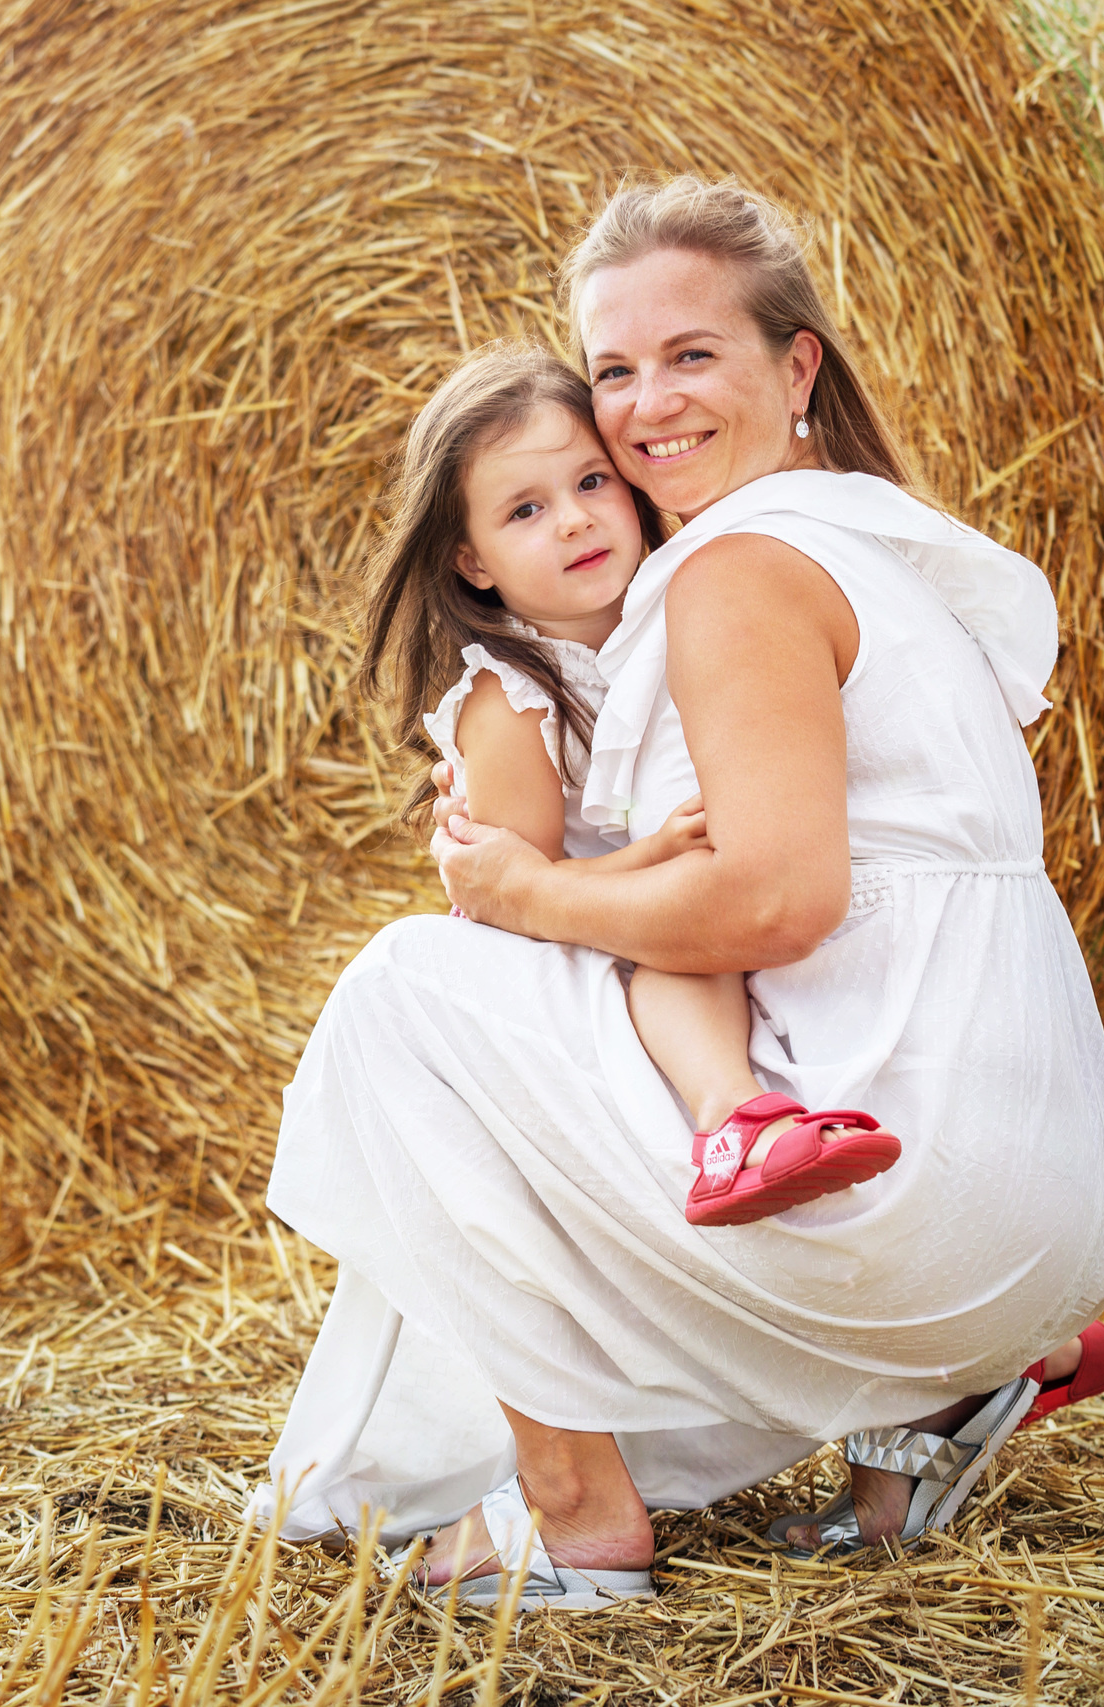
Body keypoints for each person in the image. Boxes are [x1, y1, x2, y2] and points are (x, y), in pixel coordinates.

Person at [249, 177, 1104, 1610]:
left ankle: (576, 1506)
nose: (646, 404)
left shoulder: (736, 574)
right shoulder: (877, 542)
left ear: (798, 366)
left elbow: (772, 907)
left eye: (691, 353)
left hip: (911, 1199)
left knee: (406, 995)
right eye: (615, 369)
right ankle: (920, 1419)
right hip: (1037, 1221)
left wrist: (525, 890)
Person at [363, 342, 904, 1230]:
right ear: (473, 562)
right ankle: (732, 1120)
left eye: (590, 483)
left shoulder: (692, 604)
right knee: (683, 930)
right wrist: (651, 861)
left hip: (694, 921)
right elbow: (509, 903)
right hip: (591, 959)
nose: (574, 521)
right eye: (526, 510)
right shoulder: (512, 698)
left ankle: (974, 1287)